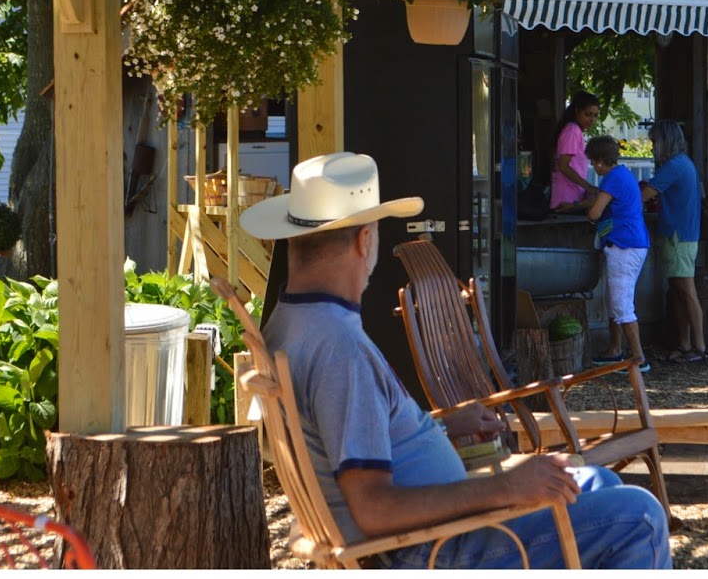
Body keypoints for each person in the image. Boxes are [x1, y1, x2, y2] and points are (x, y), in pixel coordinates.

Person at [242, 152, 671, 570]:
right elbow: (374, 509)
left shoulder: (293, 323)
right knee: (640, 518)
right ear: (364, 239)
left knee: (599, 483)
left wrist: (445, 425)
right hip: (429, 551)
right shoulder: (338, 348)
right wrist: (507, 487)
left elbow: (354, 433)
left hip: (429, 537)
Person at [638, 120, 706, 364]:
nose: (653, 147)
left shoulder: (673, 166)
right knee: (677, 292)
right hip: (682, 235)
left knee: (686, 291)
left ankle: (698, 347)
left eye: (654, 141)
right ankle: (685, 343)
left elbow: (644, 195)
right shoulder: (684, 164)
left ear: (664, 141)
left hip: (678, 237)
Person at [584, 135, 651, 373]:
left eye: (593, 161)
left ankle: (638, 358)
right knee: (617, 300)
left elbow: (595, 212)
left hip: (623, 245)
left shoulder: (612, 178)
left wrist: (586, 209)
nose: (593, 166)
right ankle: (615, 350)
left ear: (601, 161)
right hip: (632, 242)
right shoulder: (623, 175)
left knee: (622, 304)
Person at [550, 92, 601, 212]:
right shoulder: (572, 130)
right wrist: (588, 187)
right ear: (577, 111)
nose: (592, 119)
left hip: (572, 194)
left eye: (595, 115)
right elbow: (564, 166)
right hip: (566, 196)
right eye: (588, 114)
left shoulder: (575, 130)